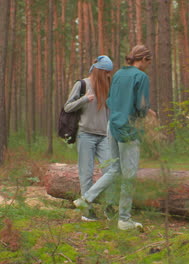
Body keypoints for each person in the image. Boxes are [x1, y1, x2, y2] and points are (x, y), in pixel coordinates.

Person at [74, 45, 156, 231]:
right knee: (129, 175)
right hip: (128, 128)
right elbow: (141, 105)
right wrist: (146, 115)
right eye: (149, 61)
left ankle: (85, 198)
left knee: (114, 169)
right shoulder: (141, 77)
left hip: (112, 125)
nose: (149, 65)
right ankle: (124, 219)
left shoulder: (118, 74)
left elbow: (111, 101)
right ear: (143, 59)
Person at [64, 55, 114, 221]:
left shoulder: (108, 87)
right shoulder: (82, 84)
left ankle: (109, 207)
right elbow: (68, 107)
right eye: (106, 72)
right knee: (86, 173)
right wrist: (84, 99)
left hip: (104, 137)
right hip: (85, 135)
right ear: (99, 70)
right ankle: (88, 211)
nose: (108, 76)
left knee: (111, 170)